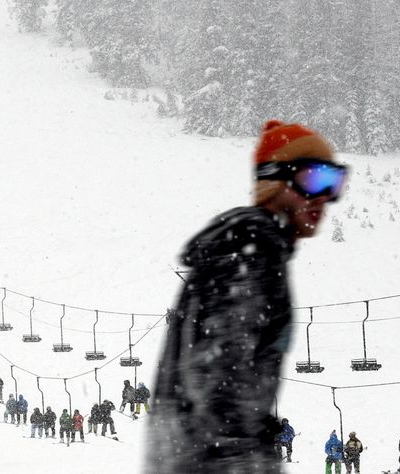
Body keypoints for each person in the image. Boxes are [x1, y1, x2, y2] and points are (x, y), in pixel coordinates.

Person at [147, 120, 347, 473]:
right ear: (274, 179)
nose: (323, 198)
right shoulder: (249, 250)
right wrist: (243, 456)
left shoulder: (252, 250)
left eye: (335, 183)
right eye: (314, 179)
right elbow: (215, 378)